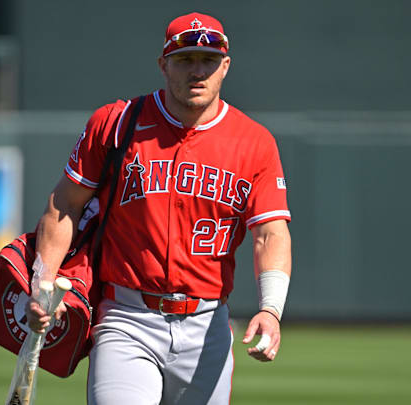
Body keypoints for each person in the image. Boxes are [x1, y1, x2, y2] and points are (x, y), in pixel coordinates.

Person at [26, 12, 292, 404]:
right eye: (185, 59)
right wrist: (43, 284)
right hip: (127, 317)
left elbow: (270, 232)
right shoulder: (117, 124)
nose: (197, 71)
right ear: (163, 65)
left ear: (226, 66)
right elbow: (64, 204)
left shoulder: (255, 142)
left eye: (209, 60)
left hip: (207, 325)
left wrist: (271, 309)